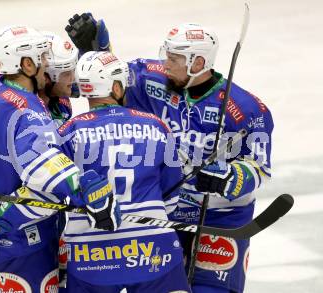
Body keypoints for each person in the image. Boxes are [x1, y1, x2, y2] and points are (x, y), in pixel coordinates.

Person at [65, 15, 274, 293]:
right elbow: (104, 82)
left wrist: (230, 178)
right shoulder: (151, 77)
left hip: (217, 217)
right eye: (166, 54)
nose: (165, 63)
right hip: (163, 214)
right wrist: (95, 48)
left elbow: (259, 167)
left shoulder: (246, 109)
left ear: (198, 63)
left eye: (174, 58)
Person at [0, 25, 120, 293]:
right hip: (22, 234)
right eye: (66, 71)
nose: (75, 78)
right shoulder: (29, 112)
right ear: (35, 69)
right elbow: (46, 179)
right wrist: (84, 190)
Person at [57, 50, 191, 293]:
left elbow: (53, 185)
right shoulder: (156, 125)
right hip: (154, 250)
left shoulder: (68, 132)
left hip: (91, 255)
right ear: (116, 89)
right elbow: (172, 196)